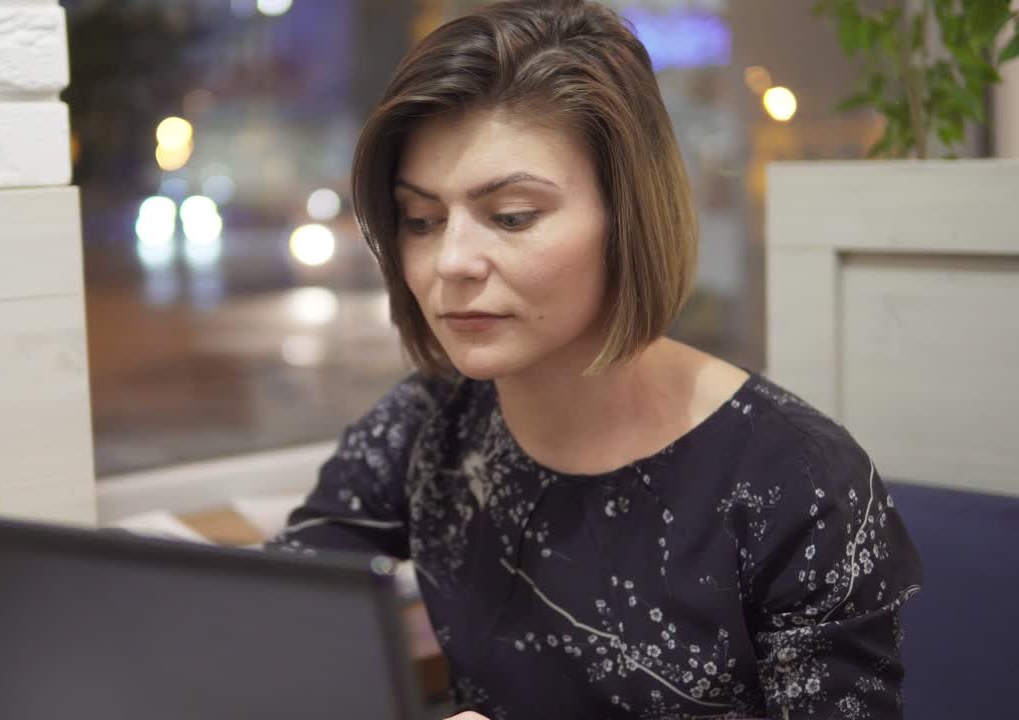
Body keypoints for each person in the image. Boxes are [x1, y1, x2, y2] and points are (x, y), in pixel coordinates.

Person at [268, 1, 923, 718]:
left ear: (627, 216)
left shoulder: (797, 485)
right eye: (422, 221)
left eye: (512, 216)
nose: (450, 261)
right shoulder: (432, 420)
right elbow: (277, 611)